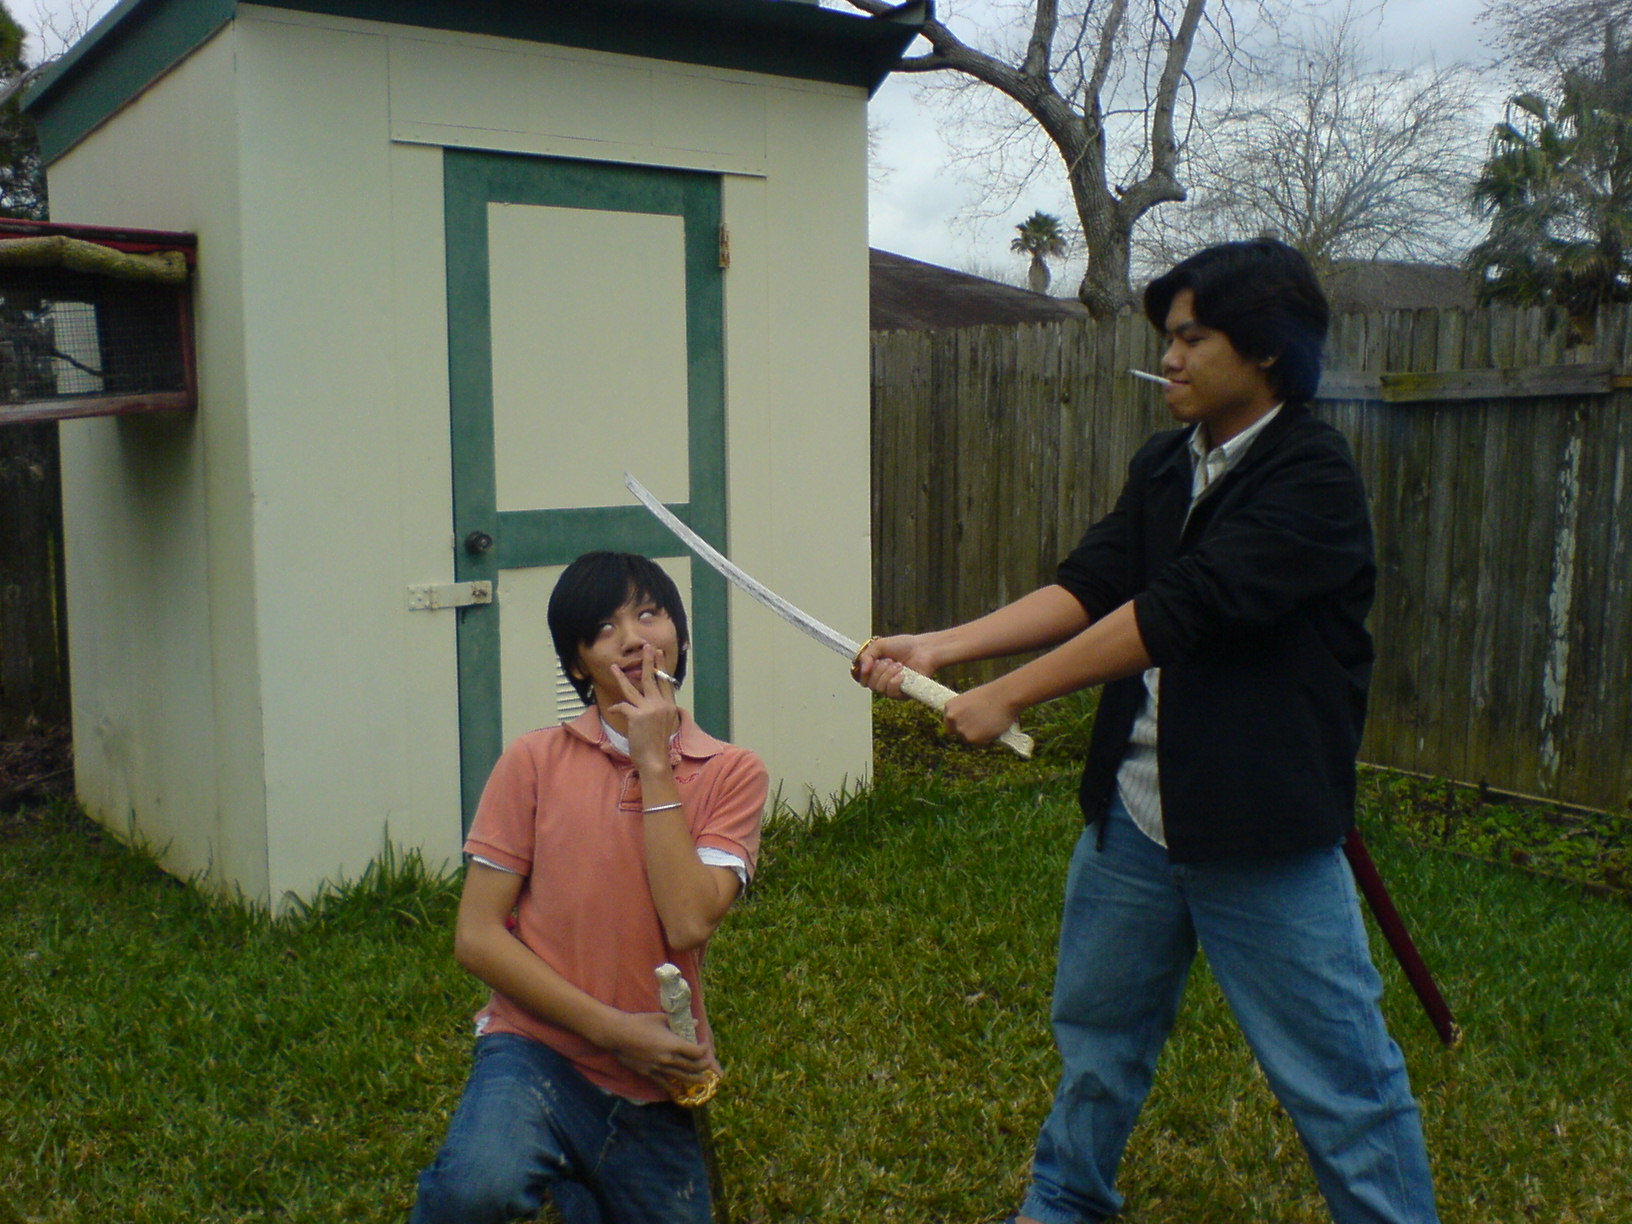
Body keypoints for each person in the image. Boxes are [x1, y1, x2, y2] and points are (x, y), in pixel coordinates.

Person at [856, 239, 1440, 1224]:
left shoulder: (1312, 478)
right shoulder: (1169, 465)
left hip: (1260, 834)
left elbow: (1177, 611)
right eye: (1168, 337)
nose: (1168, 357)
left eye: (1192, 338)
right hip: (1133, 821)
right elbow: (1092, 585)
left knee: (1342, 1081)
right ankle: (1065, 1199)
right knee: (1098, 1043)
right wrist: (941, 647)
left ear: (1266, 349)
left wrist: (1012, 697)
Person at [412, 551, 768, 1224]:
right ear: (578, 665)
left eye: (649, 614)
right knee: (475, 1191)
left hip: (656, 1076)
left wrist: (654, 763)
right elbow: (477, 937)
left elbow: (688, 921)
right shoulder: (533, 761)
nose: (633, 639)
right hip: (535, 1049)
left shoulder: (732, 772)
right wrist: (614, 1032)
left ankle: (580, 1179)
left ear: (679, 634)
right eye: (605, 629)